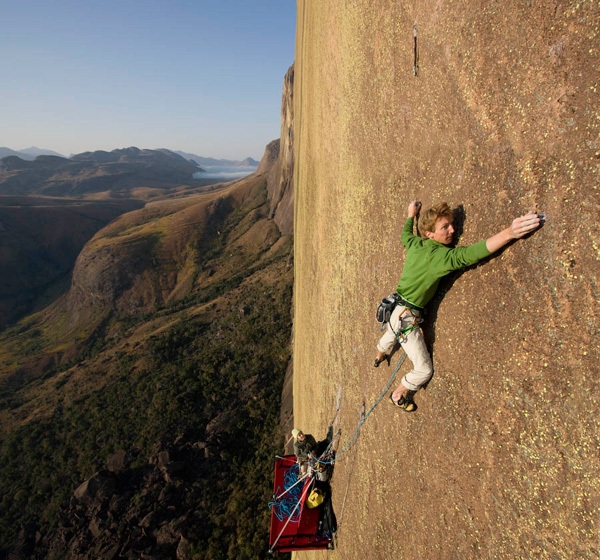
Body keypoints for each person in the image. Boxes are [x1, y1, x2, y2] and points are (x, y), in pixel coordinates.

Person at [375, 200, 542, 412]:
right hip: (405, 317)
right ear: (430, 234)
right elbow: (472, 254)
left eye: (451, 224)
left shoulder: (416, 244)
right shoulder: (440, 258)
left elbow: (406, 235)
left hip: (394, 309)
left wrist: (411, 215)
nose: (452, 230)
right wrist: (509, 233)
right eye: (445, 227)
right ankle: (399, 393)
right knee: (424, 370)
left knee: (390, 332)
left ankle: (379, 354)